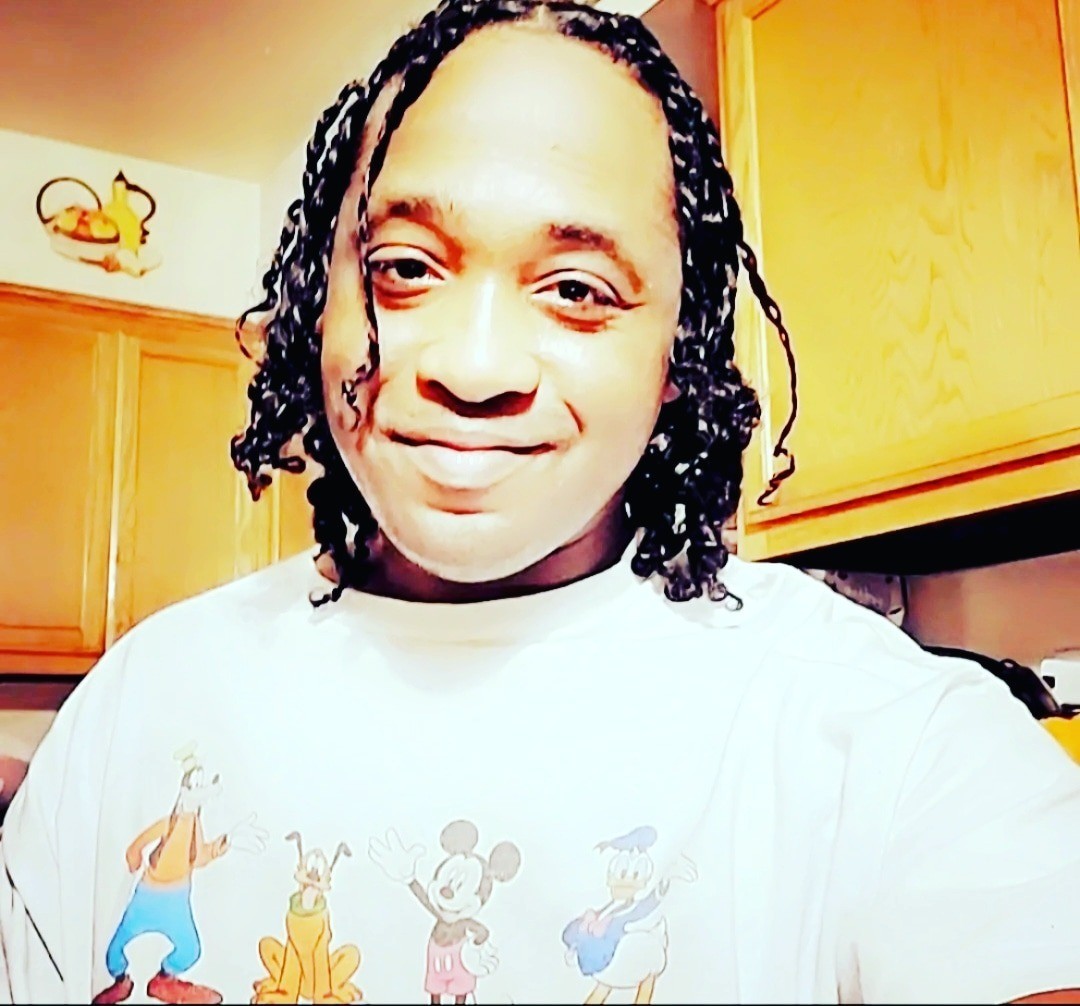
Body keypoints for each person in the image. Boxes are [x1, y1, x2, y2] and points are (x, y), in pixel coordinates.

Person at [2, 1, 1079, 1003]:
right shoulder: (141, 702)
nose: (473, 366)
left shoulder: (890, 741)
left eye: (576, 289)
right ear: (315, 300)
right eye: (405, 268)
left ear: (677, 355)